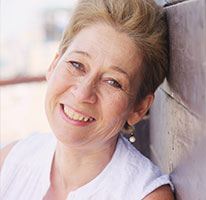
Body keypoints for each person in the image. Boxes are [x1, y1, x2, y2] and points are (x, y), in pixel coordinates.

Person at [0, 0, 174, 199]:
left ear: (139, 108)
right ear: (53, 64)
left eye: (113, 82)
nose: (83, 94)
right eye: (76, 64)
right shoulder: (9, 162)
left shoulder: (145, 195)